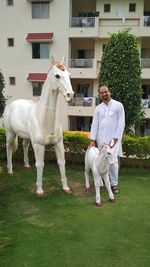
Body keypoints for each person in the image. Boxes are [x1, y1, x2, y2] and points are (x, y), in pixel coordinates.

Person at [88, 85, 125, 194]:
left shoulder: (118, 106)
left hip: (114, 139)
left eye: (105, 92)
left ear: (110, 92)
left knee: (113, 162)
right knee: (101, 160)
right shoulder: (98, 108)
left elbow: (121, 123)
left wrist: (115, 138)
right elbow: (94, 124)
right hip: (101, 139)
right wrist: (92, 139)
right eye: (101, 93)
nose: (104, 94)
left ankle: (114, 184)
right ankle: (103, 180)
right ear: (99, 95)